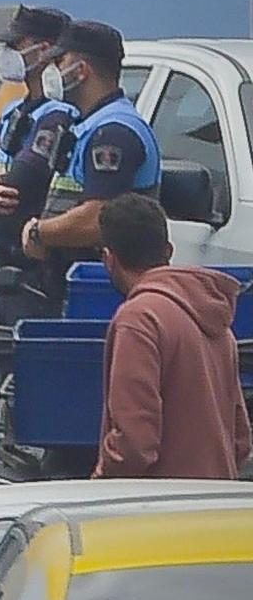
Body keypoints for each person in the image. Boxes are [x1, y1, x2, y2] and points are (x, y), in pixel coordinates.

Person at [94, 194, 249, 479]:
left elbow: (134, 443)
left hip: (159, 510)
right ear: (168, 251)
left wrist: (99, 482)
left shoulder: (139, 319)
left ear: (108, 259)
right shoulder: (215, 318)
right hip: (214, 506)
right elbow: (240, 440)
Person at [19, 20, 161, 309]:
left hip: (100, 291)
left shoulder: (113, 133)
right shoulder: (86, 124)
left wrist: (38, 232)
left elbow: (98, 218)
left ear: (81, 70)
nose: (53, 72)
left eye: (60, 62)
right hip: (71, 284)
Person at [0, 5, 77, 324]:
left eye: (16, 45)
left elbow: (18, 184)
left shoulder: (59, 114)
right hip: (5, 269)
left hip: (39, 272)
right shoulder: (14, 112)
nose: (7, 54)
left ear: (45, 49)